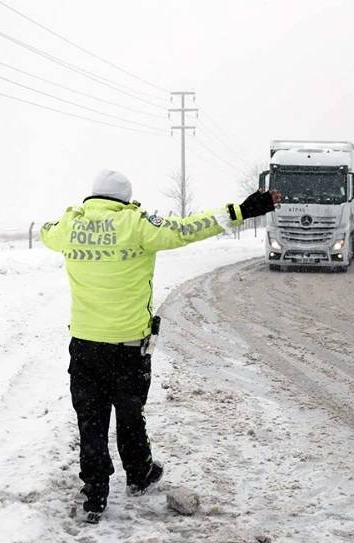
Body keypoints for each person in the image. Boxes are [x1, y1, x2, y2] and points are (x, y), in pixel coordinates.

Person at [40, 169, 279, 524]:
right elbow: (189, 228)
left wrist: (73, 214)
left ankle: (94, 493)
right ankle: (139, 473)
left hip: (85, 345)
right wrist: (242, 210)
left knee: (90, 419)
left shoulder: (70, 226)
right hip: (127, 347)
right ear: (125, 200)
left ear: (92, 197)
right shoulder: (137, 225)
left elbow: (47, 231)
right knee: (130, 412)